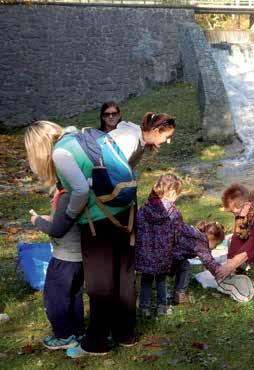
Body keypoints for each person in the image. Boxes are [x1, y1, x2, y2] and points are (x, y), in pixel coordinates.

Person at [24, 113, 176, 358]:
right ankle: (125, 334)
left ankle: (96, 343)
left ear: (38, 147)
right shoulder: (81, 135)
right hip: (126, 212)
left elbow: (81, 191)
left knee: (99, 283)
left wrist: (71, 215)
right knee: (124, 275)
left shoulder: (61, 152)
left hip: (100, 221)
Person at [135, 174, 223, 317]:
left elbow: (138, 226)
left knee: (146, 279)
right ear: (171, 192)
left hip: (146, 253)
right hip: (163, 253)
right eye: (177, 194)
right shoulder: (172, 212)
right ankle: (162, 308)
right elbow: (178, 232)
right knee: (161, 280)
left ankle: (144, 309)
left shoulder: (145, 208)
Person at [30, 185, 84, 350]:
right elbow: (65, 221)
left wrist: (37, 220)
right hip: (79, 257)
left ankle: (64, 336)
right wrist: (51, 218)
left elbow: (57, 230)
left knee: (54, 298)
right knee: (74, 294)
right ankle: (78, 330)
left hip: (64, 257)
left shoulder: (66, 195)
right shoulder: (79, 191)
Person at [172, 221, 225, 305]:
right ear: (211, 236)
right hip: (171, 256)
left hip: (168, 251)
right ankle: (180, 294)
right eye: (216, 244)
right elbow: (208, 261)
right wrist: (220, 272)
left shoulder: (196, 233)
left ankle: (176, 291)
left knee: (183, 265)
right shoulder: (201, 243)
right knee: (186, 267)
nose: (215, 247)